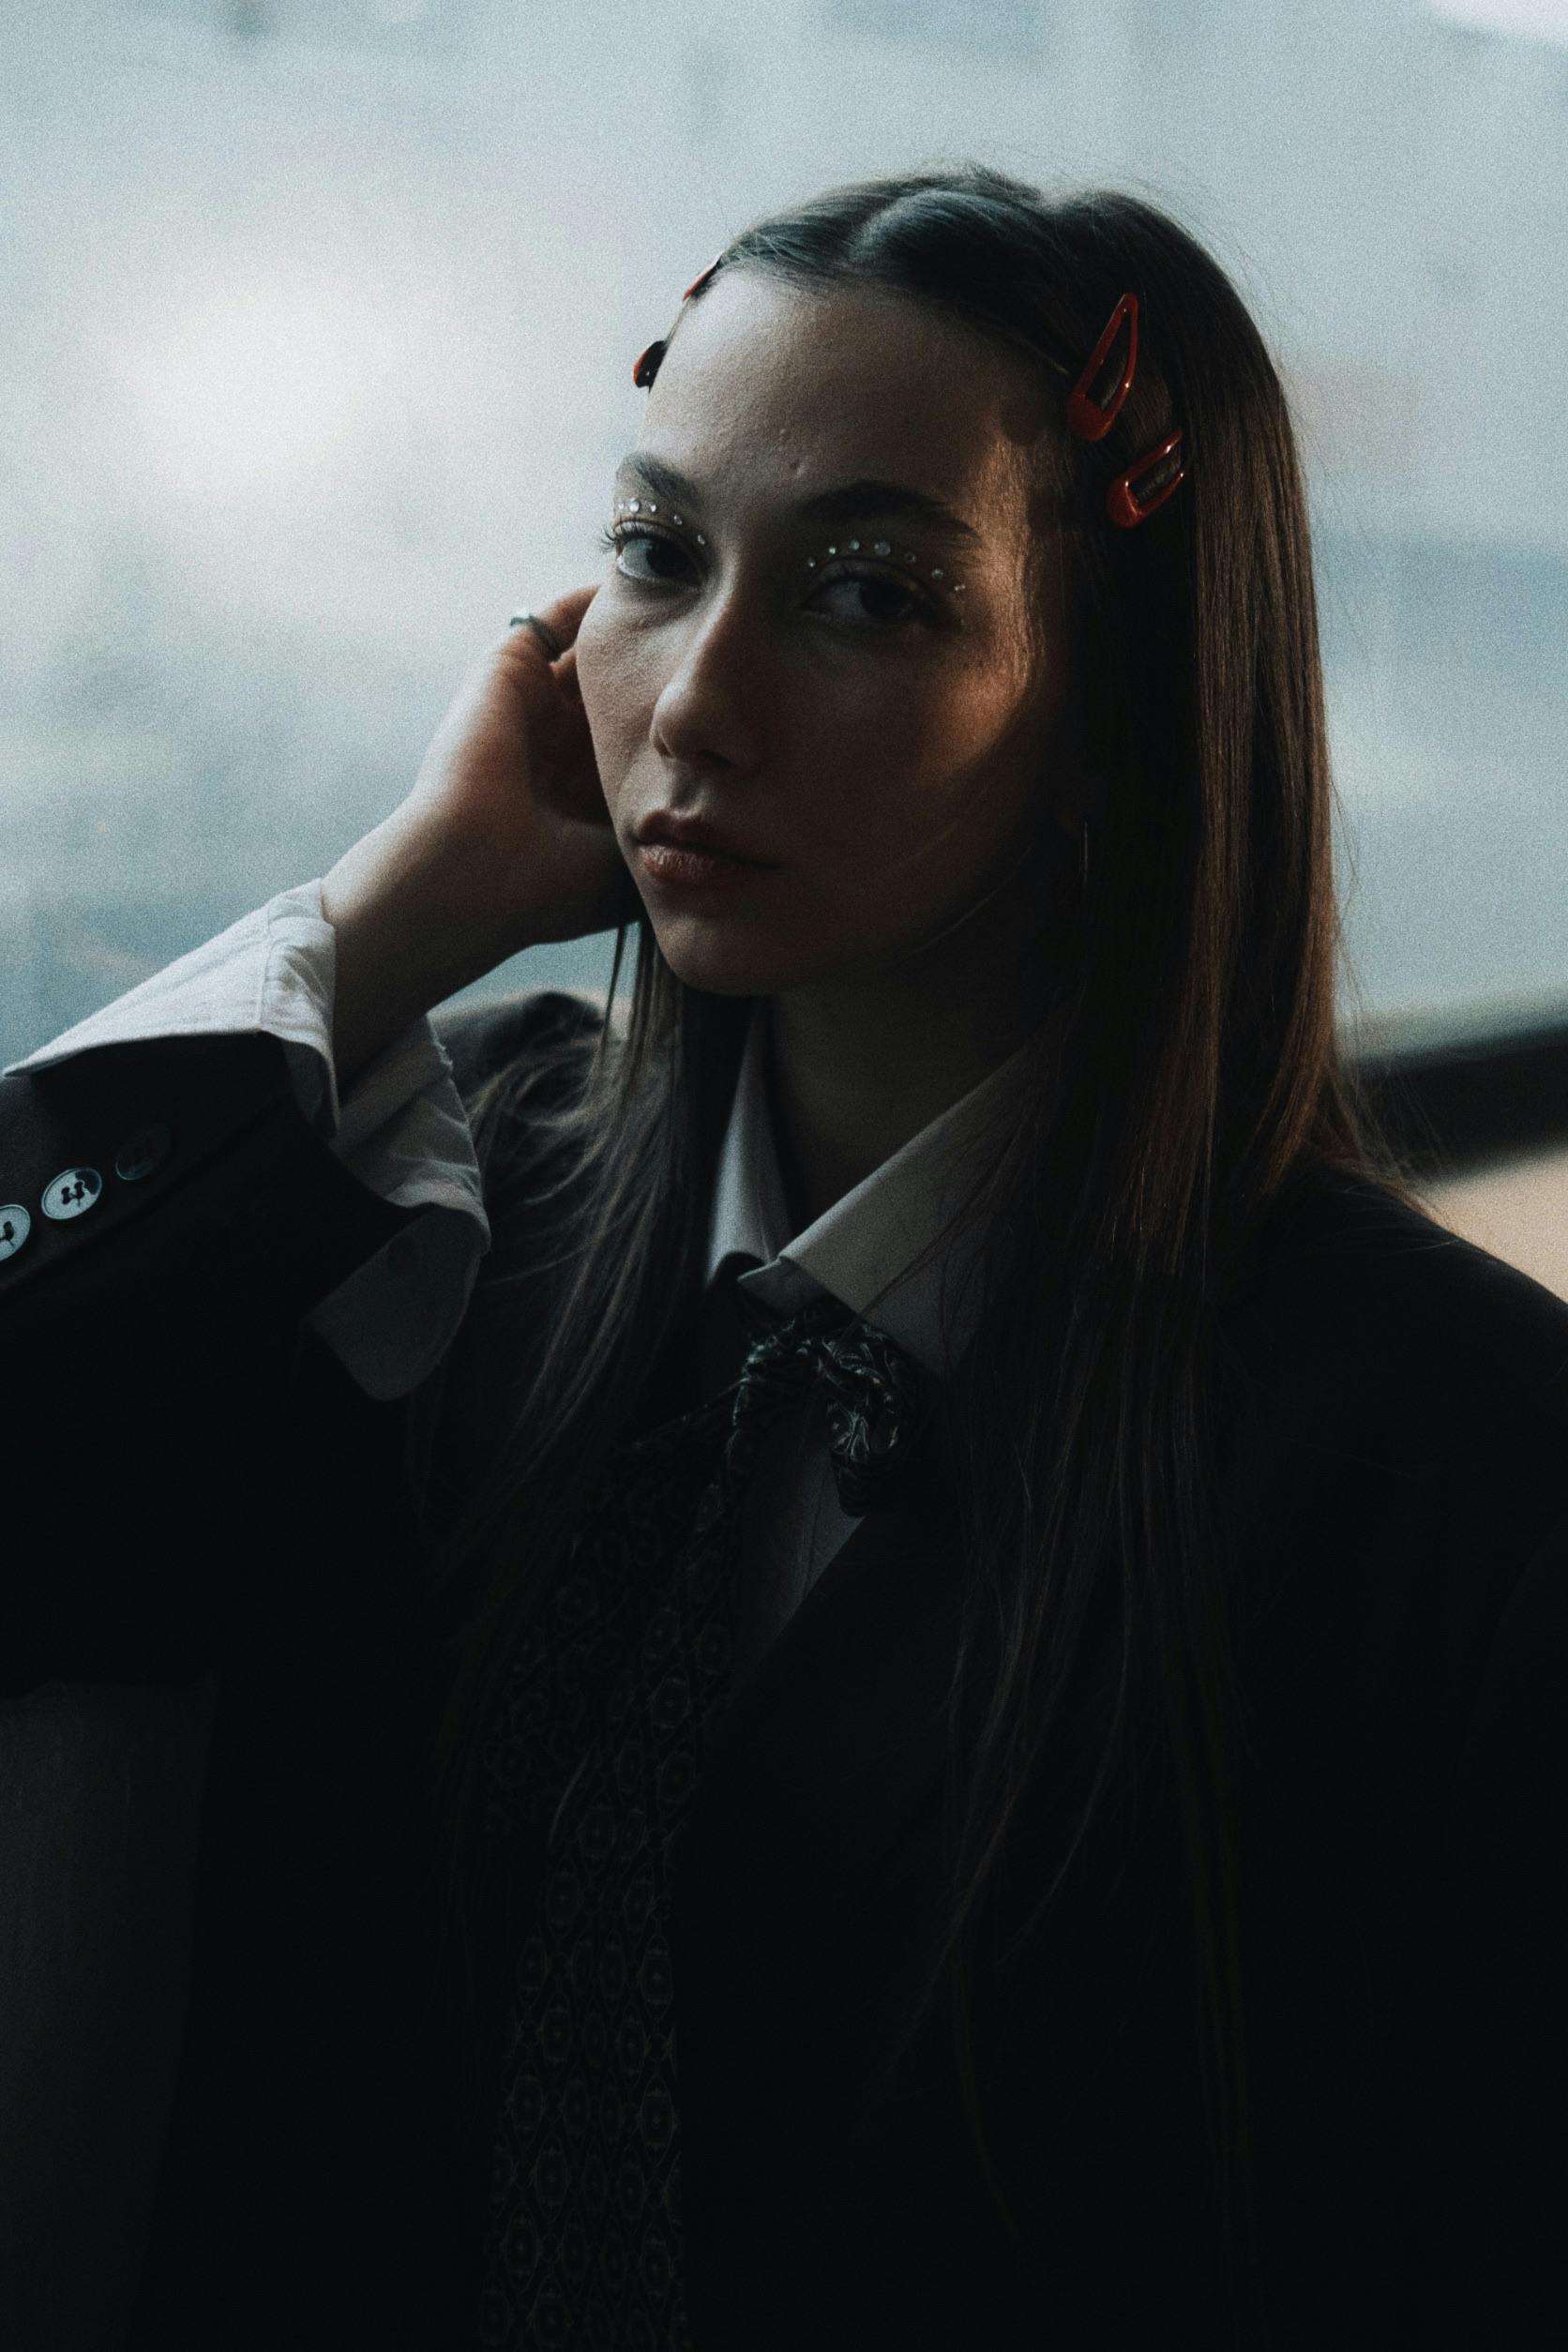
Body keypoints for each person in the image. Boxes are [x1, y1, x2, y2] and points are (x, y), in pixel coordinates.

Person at [2, 162, 1563, 2351]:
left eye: (864, 594)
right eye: (653, 555)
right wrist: (402, 905)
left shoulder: (1458, 1471)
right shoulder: (452, 1195)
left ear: (1114, 706)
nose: (694, 701)